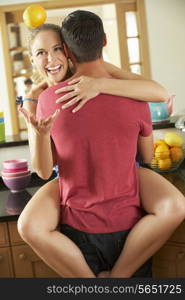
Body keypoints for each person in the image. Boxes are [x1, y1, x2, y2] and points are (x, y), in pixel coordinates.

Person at [17, 17, 185, 278]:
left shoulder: (53, 97)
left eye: (57, 49)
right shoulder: (41, 99)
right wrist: (39, 128)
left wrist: (99, 84)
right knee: (28, 225)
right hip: (77, 180)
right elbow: (42, 169)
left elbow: (156, 92)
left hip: (118, 179)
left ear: (69, 50)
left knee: (174, 205)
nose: (50, 59)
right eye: (40, 53)